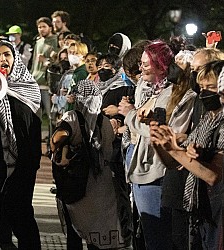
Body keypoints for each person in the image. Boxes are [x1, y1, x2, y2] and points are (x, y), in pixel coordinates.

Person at [124, 40, 196, 249]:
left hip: (156, 171)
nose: (140, 69)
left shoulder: (180, 95)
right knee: (149, 235)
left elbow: (165, 133)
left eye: (146, 65)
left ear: (162, 65)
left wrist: (130, 116)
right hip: (145, 167)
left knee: (158, 237)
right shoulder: (153, 90)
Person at [0, 40, 42, 249]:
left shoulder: (29, 89)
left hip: (22, 164)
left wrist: (31, 164)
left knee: (20, 213)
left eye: (7, 55)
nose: (3, 59)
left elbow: (33, 129)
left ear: (15, 59)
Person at [50, 80, 133, 249]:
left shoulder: (73, 117)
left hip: (80, 181)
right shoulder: (105, 122)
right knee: (99, 229)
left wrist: (60, 146)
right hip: (104, 184)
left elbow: (58, 137)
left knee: (75, 227)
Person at [150, 60, 224, 249]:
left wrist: (176, 150)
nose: (204, 93)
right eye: (201, 87)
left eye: (212, 87)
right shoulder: (208, 117)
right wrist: (161, 144)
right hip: (199, 208)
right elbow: (176, 163)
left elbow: (213, 175)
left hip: (217, 209)